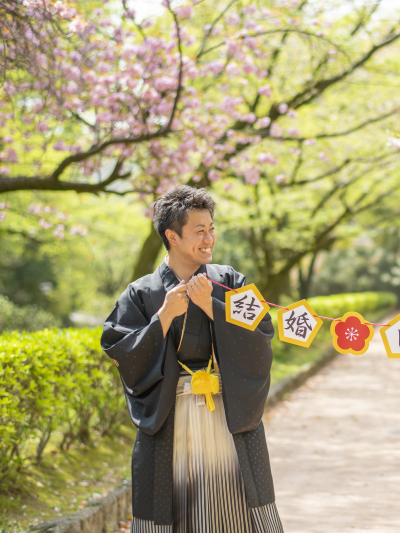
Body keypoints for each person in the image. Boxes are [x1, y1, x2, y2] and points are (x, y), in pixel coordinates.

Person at [102, 186, 283, 533]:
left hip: (226, 412)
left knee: (234, 505)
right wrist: (164, 318)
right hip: (170, 415)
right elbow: (120, 352)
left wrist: (212, 308)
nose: (209, 238)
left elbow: (261, 335)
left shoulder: (230, 282)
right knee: (173, 508)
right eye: (199, 230)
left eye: (211, 228)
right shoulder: (141, 292)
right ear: (172, 235)